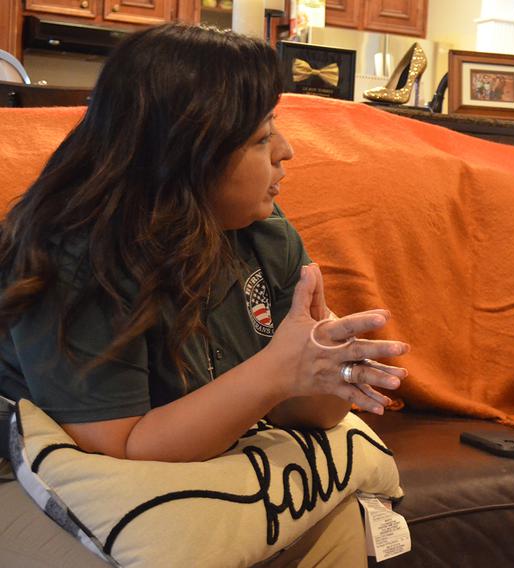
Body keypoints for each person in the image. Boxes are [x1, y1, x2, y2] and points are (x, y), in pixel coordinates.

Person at [0, 23, 409, 567]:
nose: (286, 151)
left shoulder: (262, 232)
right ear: (187, 151)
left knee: (346, 527)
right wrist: (276, 373)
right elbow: (121, 447)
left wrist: (329, 370)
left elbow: (308, 413)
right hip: (45, 475)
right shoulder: (78, 253)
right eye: (262, 137)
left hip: (184, 458)